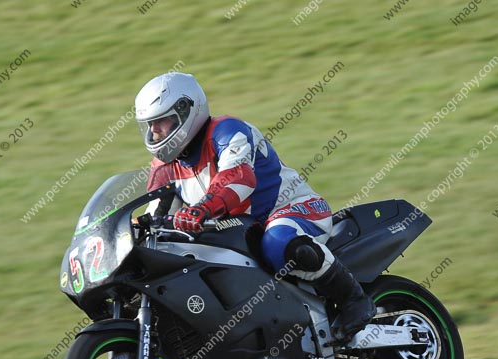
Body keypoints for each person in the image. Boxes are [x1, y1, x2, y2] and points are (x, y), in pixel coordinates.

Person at [135, 72, 375, 340]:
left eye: (160, 122)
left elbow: (237, 178)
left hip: (289, 210)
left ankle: (353, 299)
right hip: (237, 231)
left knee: (278, 243)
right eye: (149, 125)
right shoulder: (165, 166)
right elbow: (155, 211)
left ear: (185, 110)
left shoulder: (227, 131)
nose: (154, 131)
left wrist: (201, 209)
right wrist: (134, 231)